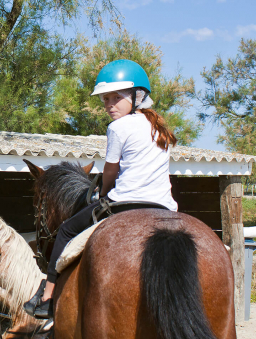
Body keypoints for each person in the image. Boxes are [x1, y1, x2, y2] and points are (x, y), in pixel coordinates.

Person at [24, 59, 178, 320]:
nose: (108, 105)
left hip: (125, 202)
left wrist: (104, 193)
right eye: (105, 99)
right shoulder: (160, 128)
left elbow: (110, 172)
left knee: (65, 231)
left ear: (137, 96)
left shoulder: (118, 127)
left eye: (115, 98)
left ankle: (48, 296)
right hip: (165, 207)